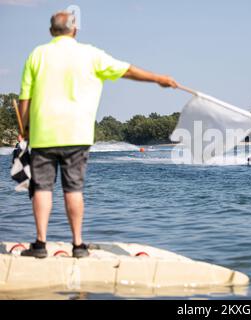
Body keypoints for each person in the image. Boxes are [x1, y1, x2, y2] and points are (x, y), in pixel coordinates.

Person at [18, 11, 178, 258]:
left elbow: (24, 99)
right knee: (73, 190)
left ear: (51, 31)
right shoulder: (90, 54)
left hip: (43, 134)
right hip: (77, 135)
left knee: (42, 189)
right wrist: (158, 78)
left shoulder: (37, 54)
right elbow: (127, 70)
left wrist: (23, 128)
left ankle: (40, 244)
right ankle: (78, 245)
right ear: (75, 30)